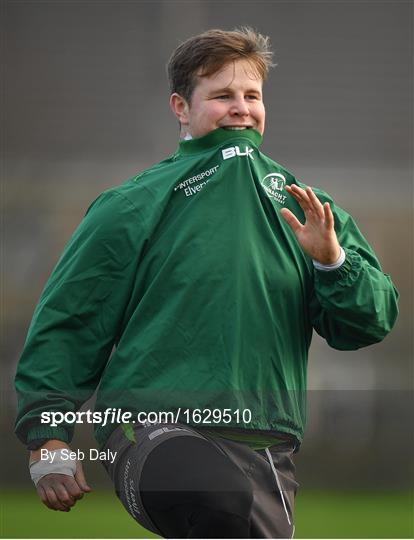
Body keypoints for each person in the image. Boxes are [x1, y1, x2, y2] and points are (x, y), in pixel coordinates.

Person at [15, 28, 399, 538]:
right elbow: (69, 323)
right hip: (151, 426)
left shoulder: (310, 212)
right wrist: (49, 436)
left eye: (252, 96)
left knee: (233, 514)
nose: (241, 108)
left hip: (268, 446)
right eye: (222, 95)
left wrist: (332, 261)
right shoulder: (130, 207)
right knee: (220, 501)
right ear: (180, 107)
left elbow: (368, 323)